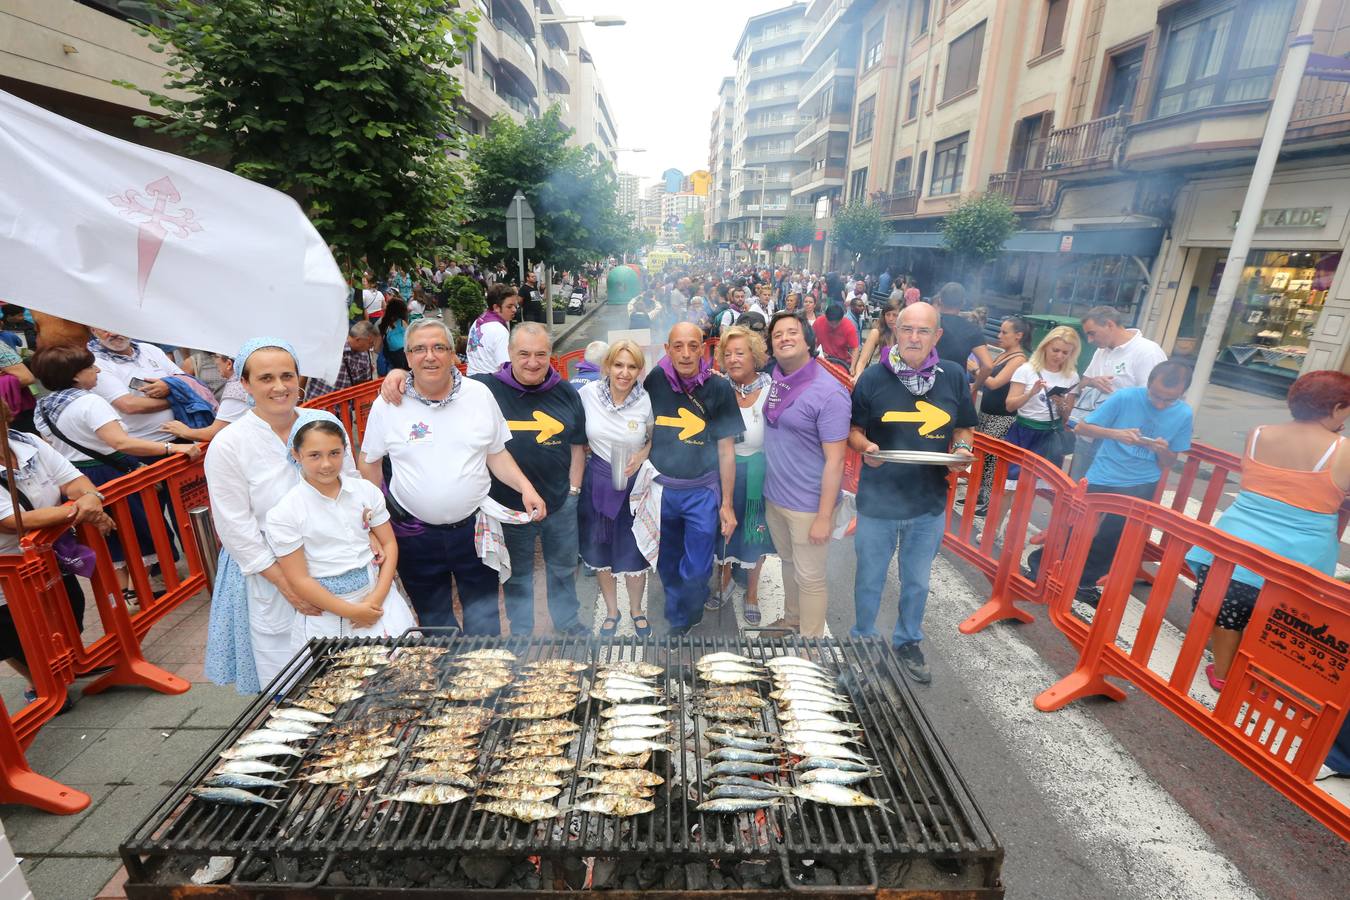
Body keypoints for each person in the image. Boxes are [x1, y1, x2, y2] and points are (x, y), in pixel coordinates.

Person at [363, 319, 545, 634]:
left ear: (453, 355)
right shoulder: (388, 403)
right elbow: (370, 464)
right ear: (407, 358)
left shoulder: (479, 395)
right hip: (413, 533)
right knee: (433, 622)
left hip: (474, 529)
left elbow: (496, 453)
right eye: (419, 349)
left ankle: (485, 680)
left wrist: (526, 487)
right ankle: (445, 677)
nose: (429, 356)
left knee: (485, 619)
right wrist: (372, 524)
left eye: (439, 347)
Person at [204, 338, 357, 693]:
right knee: (288, 667)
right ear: (244, 384)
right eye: (265, 378)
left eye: (287, 375)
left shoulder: (322, 421)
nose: (279, 387)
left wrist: (371, 534)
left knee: (349, 660)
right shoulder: (229, 444)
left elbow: (351, 484)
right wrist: (287, 585)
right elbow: (235, 527)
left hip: (335, 555)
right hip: (269, 568)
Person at [1186, 371, 1350, 691]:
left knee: (1227, 612)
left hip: (1233, 545)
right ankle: (1264, 673)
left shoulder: (1258, 434)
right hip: (1298, 559)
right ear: (1337, 408)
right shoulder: (1342, 450)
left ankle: (1222, 673)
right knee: (1283, 621)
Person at [848, 303, 977, 683]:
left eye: (923, 331)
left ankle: (907, 641)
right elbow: (854, 431)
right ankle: (864, 639)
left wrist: (960, 452)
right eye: (908, 330)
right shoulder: (873, 378)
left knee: (917, 581)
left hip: (928, 503)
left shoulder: (952, 377)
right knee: (869, 578)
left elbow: (964, 430)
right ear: (895, 333)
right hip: (878, 503)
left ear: (937, 336)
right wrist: (865, 449)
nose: (914, 338)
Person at [30, 345, 202, 595]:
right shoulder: (89, 402)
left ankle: (122, 595)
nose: (97, 369)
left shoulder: (43, 407)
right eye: (90, 367)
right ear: (76, 375)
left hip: (75, 479)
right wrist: (172, 448)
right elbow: (121, 442)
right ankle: (137, 592)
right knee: (137, 531)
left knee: (108, 537)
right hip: (111, 473)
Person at [474, 324, 587, 637]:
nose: (533, 362)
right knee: (518, 574)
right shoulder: (485, 389)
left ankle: (567, 622)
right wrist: (400, 376)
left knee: (563, 568)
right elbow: (440, 381)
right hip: (509, 506)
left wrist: (574, 491)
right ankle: (522, 632)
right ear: (510, 354)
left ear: (551, 355)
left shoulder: (565, 391)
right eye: (524, 354)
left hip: (560, 501)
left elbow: (578, 445)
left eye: (541, 354)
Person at [267, 415, 415, 647]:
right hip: (328, 613)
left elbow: (389, 544)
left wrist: (376, 598)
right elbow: (299, 578)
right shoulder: (285, 512)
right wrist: (352, 611)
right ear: (296, 455)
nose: (326, 464)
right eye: (314, 455)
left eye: (334, 453)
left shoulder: (365, 491)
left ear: (345, 451)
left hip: (380, 601)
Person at [0, 412, 114, 705]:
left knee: (68, 607)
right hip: (6, 568)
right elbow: (12, 520)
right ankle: (39, 683)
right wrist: (80, 510)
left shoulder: (27, 443)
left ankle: (73, 660)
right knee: (13, 634)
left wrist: (88, 497)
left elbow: (74, 481)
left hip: (46, 552)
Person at [640, 322, 744, 635]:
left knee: (698, 566)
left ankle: (693, 600)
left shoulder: (719, 387)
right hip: (663, 489)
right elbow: (644, 427)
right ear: (667, 350)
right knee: (668, 561)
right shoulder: (655, 380)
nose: (686, 354)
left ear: (703, 348)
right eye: (678, 346)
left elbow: (727, 450)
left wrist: (726, 504)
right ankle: (679, 616)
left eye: (693, 346)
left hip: (701, 491)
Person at [1065, 361, 1194, 605]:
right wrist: (1117, 434)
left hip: (1142, 482)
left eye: (1168, 400)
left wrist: (1162, 450)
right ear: (1148, 384)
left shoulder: (1184, 413)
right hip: (1103, 474)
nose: (1159, 403)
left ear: (1182, 393)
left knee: (1113, 536)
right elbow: (1082, 426)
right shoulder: (1125, 397)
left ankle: (1084, 582)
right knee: (1076, 525)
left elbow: (1169, 461)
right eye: (1155, 395)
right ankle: (1052, 568)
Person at [762, 312, 849, 637]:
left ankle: (811, 647)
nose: (784, 338)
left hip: (809, 506)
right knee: (787, 564)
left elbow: (836, 461)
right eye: (777, 334)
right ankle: (792, 619)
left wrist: (824, 516)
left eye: (792, 333)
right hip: (777, 497)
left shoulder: (829, 392)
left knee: (811, 578)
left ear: (810, 342)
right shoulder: (778, 379)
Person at [578, 340, 654, 637]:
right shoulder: (587, 395)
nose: (624, 372)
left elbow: (654, 437)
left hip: (633, 485)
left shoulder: (646, 401)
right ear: (607, 366)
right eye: (618, 365)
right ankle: (612, 610)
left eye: (632, 366)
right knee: (601, 551)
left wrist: (644, 453)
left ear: (639, 371)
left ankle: (636, 610)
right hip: (597, 481)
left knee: (636, 551)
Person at [712, 326, 776, 624]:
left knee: (755, 533)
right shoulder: (717, 387)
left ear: (755, 356)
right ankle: (724, 580)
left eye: (740, 353)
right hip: (722, 471)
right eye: (727, 354)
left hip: (757, 473)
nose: (733, 359)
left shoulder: (772, 389)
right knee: (722, 529)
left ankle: (751, 592)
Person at [1068, 306, 1168, 479]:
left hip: (1120, 442)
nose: (1090, 340)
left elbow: (1155, 400)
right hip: (1089, 434)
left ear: (1109, 324)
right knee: (1076, 491)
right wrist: (1093, 381)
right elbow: (1082, 383)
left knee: (1103, 496)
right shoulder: (1102, 351)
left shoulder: (1147, 352)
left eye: (1092, 333)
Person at [970, 316, 1031, 514]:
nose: (999, 335)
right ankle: (979, 495)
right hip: (987, 412)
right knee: (981, 455)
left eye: (1004, 332)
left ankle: (990, 501)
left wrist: (977, 369)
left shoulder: (1019, 360)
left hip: (1001, 417)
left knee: (993, 459)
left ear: (1018, 336)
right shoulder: (1004, 355)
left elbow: (996, 383)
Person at [1004, 326, 1082, 470]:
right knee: (1012, 481)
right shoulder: (1026, 370)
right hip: (1024, 431)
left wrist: (1061, 403)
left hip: (1051, 436)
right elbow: (1009, 405)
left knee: (1041, 483)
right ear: (1045, 346)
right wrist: (1030, 393)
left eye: (1065, 352)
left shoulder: (1072, 376)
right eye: (1055, 350)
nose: (1059, 356)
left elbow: (1066, 416)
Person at [85, 329, 182, 444]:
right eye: (104, 329)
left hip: (184, 433)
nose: (113, 333)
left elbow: (188, 382)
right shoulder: (95, 363)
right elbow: (129, 405)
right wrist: (179, 397)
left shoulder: (149, 349)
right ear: (94, 331)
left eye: (116, 326)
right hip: (145, 446)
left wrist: (168, 386)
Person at [163, 353, 250, 442]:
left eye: (216, 357)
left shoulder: (235, 389)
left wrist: (184, 431)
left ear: (229, 364)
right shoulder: (245, 380)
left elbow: (215, 432)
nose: (214, 361)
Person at [301, 320, 379, 401]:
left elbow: (363, 385)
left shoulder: (365, 356)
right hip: (319, 405)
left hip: (343, 410)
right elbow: (305, 373)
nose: (371, 347)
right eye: (370, 343)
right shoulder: (328, 345)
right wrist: (299, 400)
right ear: (359, 340)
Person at [933, 282, 994, 382]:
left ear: (940, 300)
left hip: (924, 383)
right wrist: (974, 387)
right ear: (963, 303)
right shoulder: (972, 329)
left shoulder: (928, 322)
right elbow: (988, 366)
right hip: (953, 387)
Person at [466, 284, 519, 376]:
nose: (514, 310)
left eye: (515, 305)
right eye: (509, 306)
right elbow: (505, 366)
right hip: (490, 381)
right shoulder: (499, 330)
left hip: (471, 376)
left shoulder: (478, 321)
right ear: (496, 307)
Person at [852, 298, 901, 381]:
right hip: (875, 379)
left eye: (895, 315)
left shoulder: (905, 337)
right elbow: (862, 361)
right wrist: (858, 376)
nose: (890, 318)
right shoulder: (876, 333)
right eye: (888, 314)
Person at [814, 303, 859, 369]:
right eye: (831, 323)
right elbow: (810, 339)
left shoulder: (849, 327)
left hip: (840, 361)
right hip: (821, 359)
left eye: (837, 323)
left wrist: (852, 368)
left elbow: (855, 349)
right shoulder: (819, 322)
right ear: (826, 317)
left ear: (842, 318)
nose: (834, 326)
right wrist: (817, 351)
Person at [379, 298, 410, 372]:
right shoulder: (402, 322)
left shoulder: (383, 324)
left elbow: (378, 348)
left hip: (394, 357)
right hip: (406, 354)